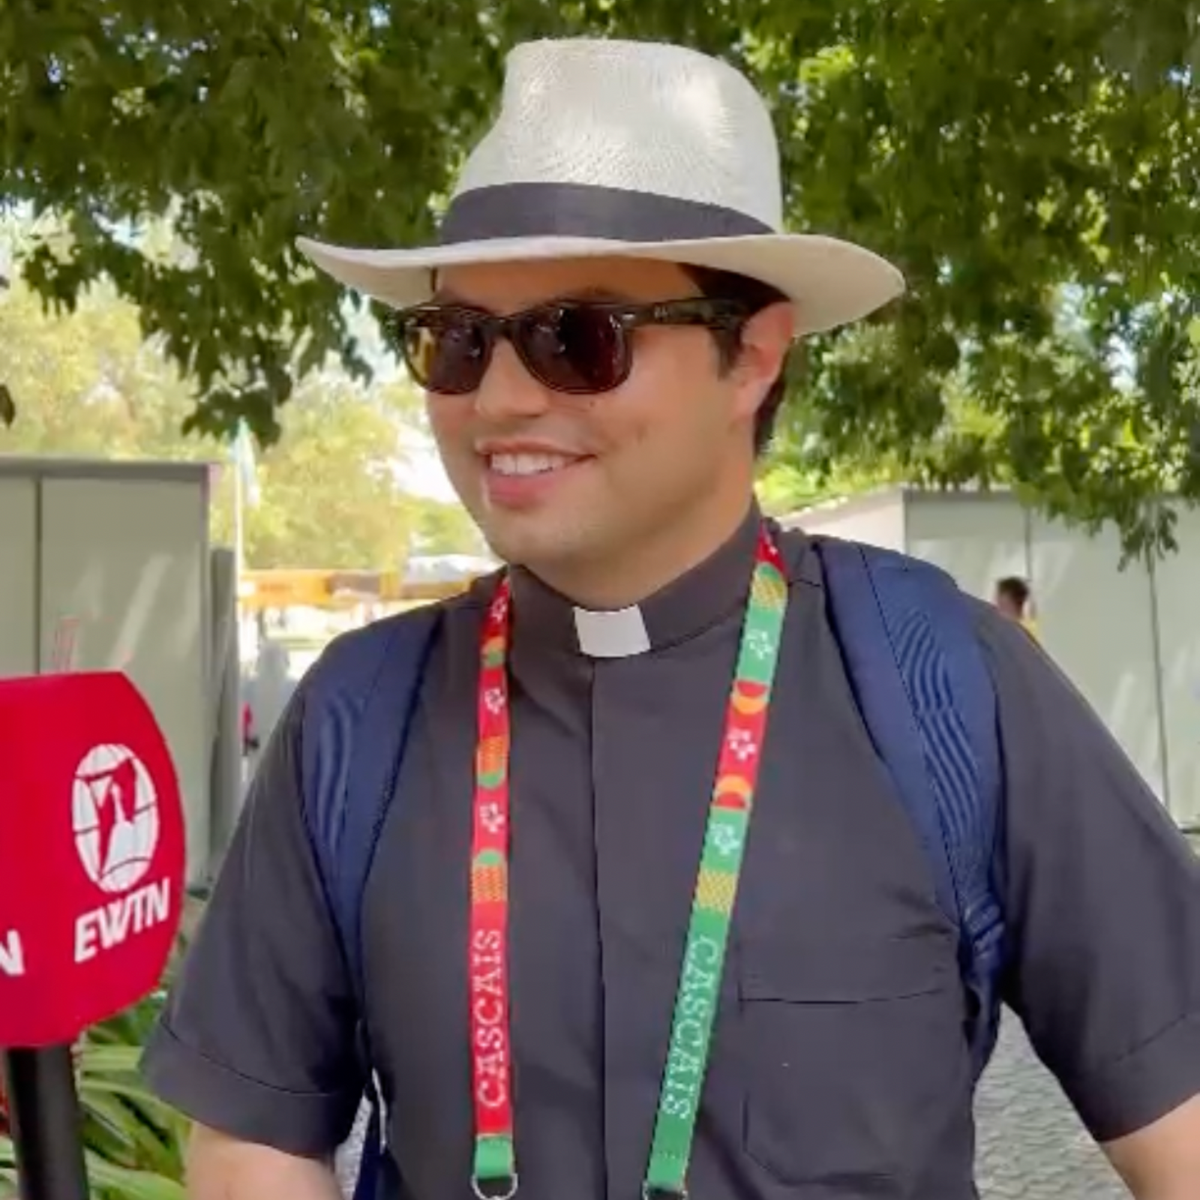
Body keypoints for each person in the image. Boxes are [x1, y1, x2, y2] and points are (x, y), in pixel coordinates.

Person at [141, 36, 1200, 1200]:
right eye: (458, 340)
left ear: (752, 356)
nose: (500, 398)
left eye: (580, 339)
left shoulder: (946, 686)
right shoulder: (359, 715)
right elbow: (254, 1137)